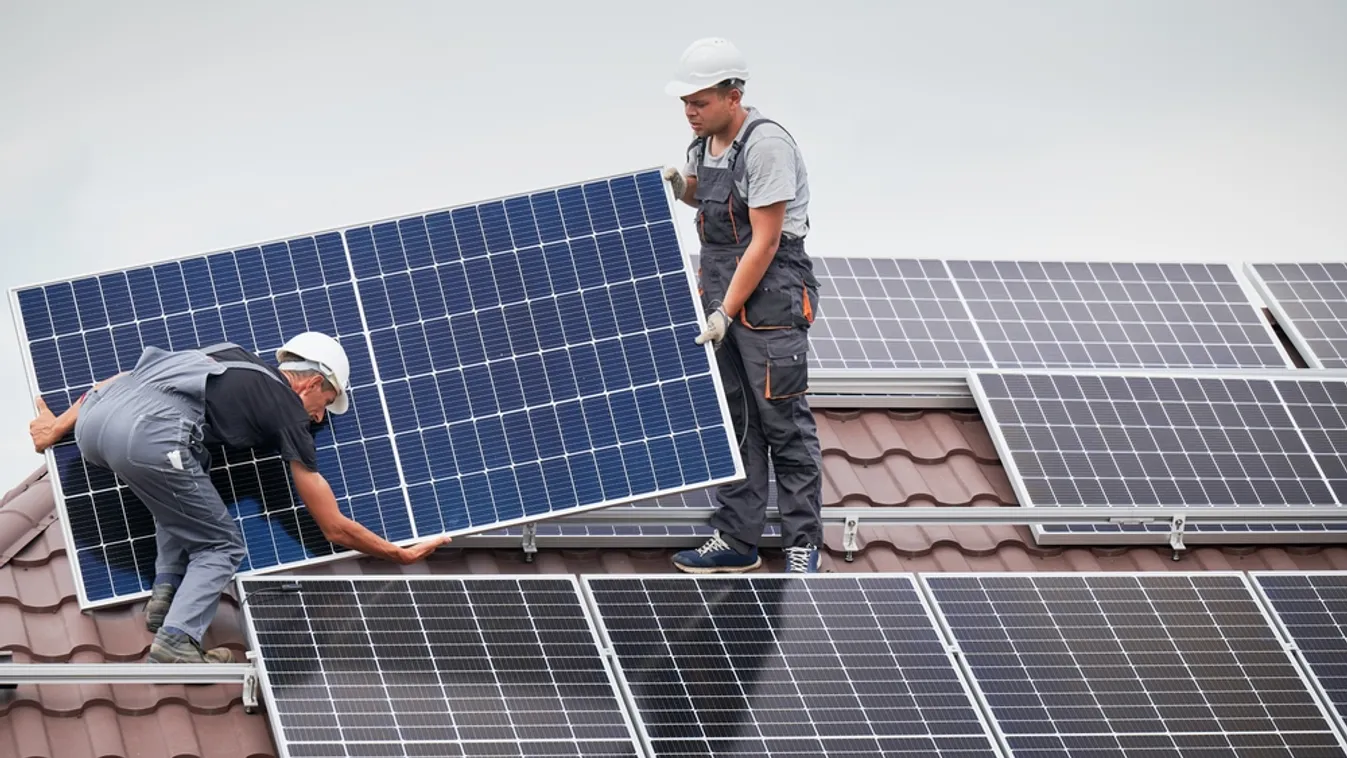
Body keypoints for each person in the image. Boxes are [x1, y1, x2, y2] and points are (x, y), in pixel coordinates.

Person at [28, 332, 447, 663]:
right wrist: (398, 554)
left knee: (190, 474)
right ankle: (177, 641)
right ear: (314, 383)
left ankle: (166, 594)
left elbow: (121, 380)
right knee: (222, 544)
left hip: (95, 425)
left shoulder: (228, 353)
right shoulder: (287, 410)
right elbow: (332, 526)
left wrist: (55, 429)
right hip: (148, 437)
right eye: (327, 402)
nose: (321, 416)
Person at [661, 37, 825, 574]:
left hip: (770, 296)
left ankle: (802, 541)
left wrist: (726, 312)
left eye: (701, 101)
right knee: (734, 420)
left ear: (733, 96)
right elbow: (705, 198)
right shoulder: (702, 142)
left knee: (783, 420)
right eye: (686, 101)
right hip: (720, 291)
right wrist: (681, 186)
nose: (690, 111)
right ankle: (737, 537)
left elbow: (765, 241)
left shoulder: (765, 144)